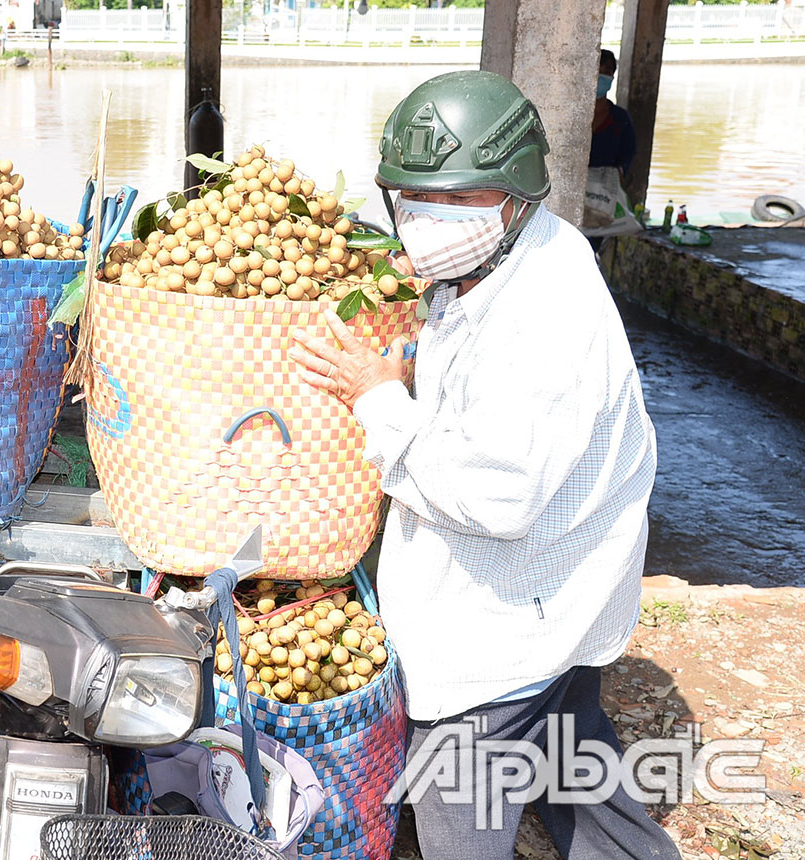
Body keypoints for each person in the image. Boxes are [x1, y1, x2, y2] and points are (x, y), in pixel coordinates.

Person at [290, 71, 677, 860]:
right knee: (582, 780)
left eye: (460, 201)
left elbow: (494, 493)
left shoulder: (545, 316)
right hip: (562, 600)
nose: (431, 221)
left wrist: (375, 398)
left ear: (517, 194)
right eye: (414, 198)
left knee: (461, 823)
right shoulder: (511, 255)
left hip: (500, 634)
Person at [591, 49, 637, 180]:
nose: (601, 74)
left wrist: (619, 174)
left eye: (607, 71)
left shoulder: (621, 118)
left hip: (605, 190)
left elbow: (629, 152)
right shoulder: (573, 114)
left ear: (612, 77)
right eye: (598, 70)